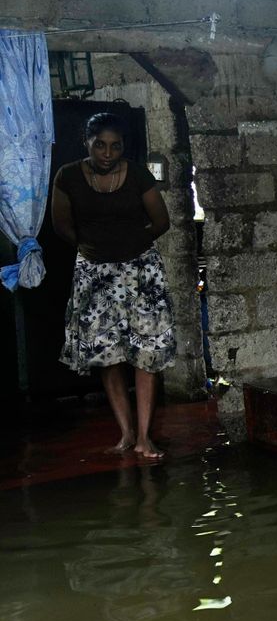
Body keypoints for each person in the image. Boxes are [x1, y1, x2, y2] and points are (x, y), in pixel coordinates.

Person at [50, 112, 175, 460]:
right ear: (86, 142)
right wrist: (94, 247)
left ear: (123, 147)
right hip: (95, 274)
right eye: (100, 145)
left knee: (146, 353)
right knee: (108, 355)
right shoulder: (68, 176)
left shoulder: (136, 174)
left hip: (141, 273)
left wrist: (131, 243)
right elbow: (60, 223)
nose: (107, 152)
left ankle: (144, 439)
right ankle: (126, 434)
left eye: (115, 146)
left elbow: (161, 221)